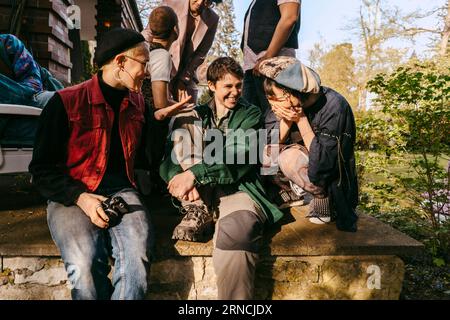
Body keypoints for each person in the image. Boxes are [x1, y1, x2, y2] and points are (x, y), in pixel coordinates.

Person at [29, 28, 154, 300]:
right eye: (144, 63)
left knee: (136, 265)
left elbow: (146, 159)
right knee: (84, 268)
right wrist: (81, 197)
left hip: (123, 192)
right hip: (71, 195)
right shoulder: (65, 102)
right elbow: (41, 171)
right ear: (121, 62)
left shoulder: (139, 105)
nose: (148, 71)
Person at [160, 57, 284, 299]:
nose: (235, 92)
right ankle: (197, 210)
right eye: (228, 86)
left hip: (238, 190)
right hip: (199, 197)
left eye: (239, 85)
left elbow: (240, 155)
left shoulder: (250, 114)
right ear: (212, 86)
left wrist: (195, 174)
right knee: (184, 125)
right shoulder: (196, 114)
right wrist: (183, 178)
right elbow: (169, 159)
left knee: (236, 234)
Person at [258, 56, 359, 232]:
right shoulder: (282, 105)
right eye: (270, 98)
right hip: (300, 165)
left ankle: (321, 196)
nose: (272, 104)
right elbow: (268, 145)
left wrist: (301, 119)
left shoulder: (334, 106)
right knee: (262, 149)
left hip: (328, 178)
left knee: (290, 158)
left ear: (296, 91)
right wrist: (286, 121)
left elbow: (324, 163)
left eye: (278, 98)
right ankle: (287, 192)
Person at [0, 34, 63, 147]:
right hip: (14, 119)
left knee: (70, 102)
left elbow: (33, 84)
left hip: (34, 99)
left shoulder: (7, 42)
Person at [241, 0, 301, 114]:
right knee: (251, 124)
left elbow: (289, 17)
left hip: (274, 67)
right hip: (252, 69)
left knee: (277, 123)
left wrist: (268, 56)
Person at [163, 0, 221, 102]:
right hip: (163, 64)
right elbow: (151, 32)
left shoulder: (212, 19)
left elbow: (201, 53)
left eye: (207, 2)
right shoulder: (171, 3)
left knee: (188, 106)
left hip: (187, 71)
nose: (200, 3)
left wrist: (183, 80)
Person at [0, 33, 63, 107]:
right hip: (17, 104)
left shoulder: (8, 42)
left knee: (67, 100)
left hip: (40, 92)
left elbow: (33, 88)